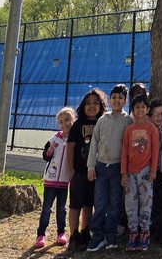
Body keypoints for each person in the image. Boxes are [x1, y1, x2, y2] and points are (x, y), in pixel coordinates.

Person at [86, 84, 132, 252]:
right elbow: (94, 144)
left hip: (117, 169)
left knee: (113, 204)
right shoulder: (102, 119)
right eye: (114, 97)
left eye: (120, 98)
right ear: (110, 100)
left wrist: (124, 171)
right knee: (99, 203)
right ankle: (97, 236)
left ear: (125, 101)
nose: (117, 100)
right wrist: (91, 166)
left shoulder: (128, 120)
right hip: (100, 167)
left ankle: (111, 235)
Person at [67, 89, 107, 251]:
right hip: (79, 171)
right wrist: (70, 170)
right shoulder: (78, 124)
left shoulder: (103, 122)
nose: (91, 106)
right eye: (88, 103)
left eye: (95, 103)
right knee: (75, 204)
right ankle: (73, 234)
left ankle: (85, 231)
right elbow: (70, 147)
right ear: (83, 106)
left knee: (89, 203)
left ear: (101, 106)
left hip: (96, 171)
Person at [121, 92, 159, 251]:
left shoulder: (151, 128)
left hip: (146, 172)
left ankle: (145, 232)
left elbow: (156, 150)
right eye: (137, 107)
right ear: (133, 110)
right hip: (130, 172)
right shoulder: (129, 129)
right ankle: (133, 232)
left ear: (147, 109)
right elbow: (124, 151)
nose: (140, 110)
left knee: (146, 202)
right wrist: (123, 172)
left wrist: (153, 170)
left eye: (143, 107)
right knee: (130, 203)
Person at [35, 106, 76, 249]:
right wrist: (49, 152)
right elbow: (45, 156)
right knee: (46, 208)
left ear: (73, 120)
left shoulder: (75, 139)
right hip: (50, 181)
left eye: (67, 120)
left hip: (65, 182)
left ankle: (61, 233)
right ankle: (41, 234)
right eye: (61, 122)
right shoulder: (54, 139)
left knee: (61, 209)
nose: (65, 124)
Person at [147, 97, 162, 245]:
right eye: (157, 115)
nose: (160, 117)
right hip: (149, 171)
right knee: (150, 203)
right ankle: (151, 231)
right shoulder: (148, 130)